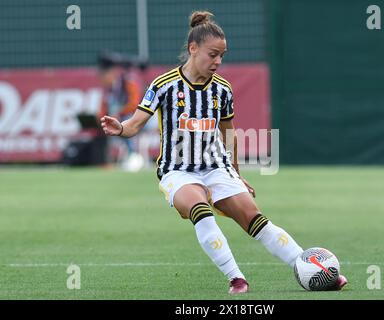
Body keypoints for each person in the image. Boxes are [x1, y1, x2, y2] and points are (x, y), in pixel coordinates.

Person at [100, 11, 347, 294]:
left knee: (256, 220)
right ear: (193, 49)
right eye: (213, 54)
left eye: (222, 55)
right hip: (177, 171)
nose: (218, 61)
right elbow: (134, 125)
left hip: (216, 167)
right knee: (201, 210)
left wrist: (237, 176)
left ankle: (313, 268)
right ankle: (236, 278)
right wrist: (120, 128)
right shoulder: (164, 85)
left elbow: (228, 135)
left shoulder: (222, 90)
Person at [97, 52, 145, 170]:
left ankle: (133, 155)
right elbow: (103, 108)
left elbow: (135, 104)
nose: (101, 79)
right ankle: (106, 160)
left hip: (142, 118)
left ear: (111, 73)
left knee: (124, 120)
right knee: (106, 123)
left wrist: (118, 113)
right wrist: (103, 118)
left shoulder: (127, 81)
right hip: (122, 119)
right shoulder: (109, 89)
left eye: (103, 75)